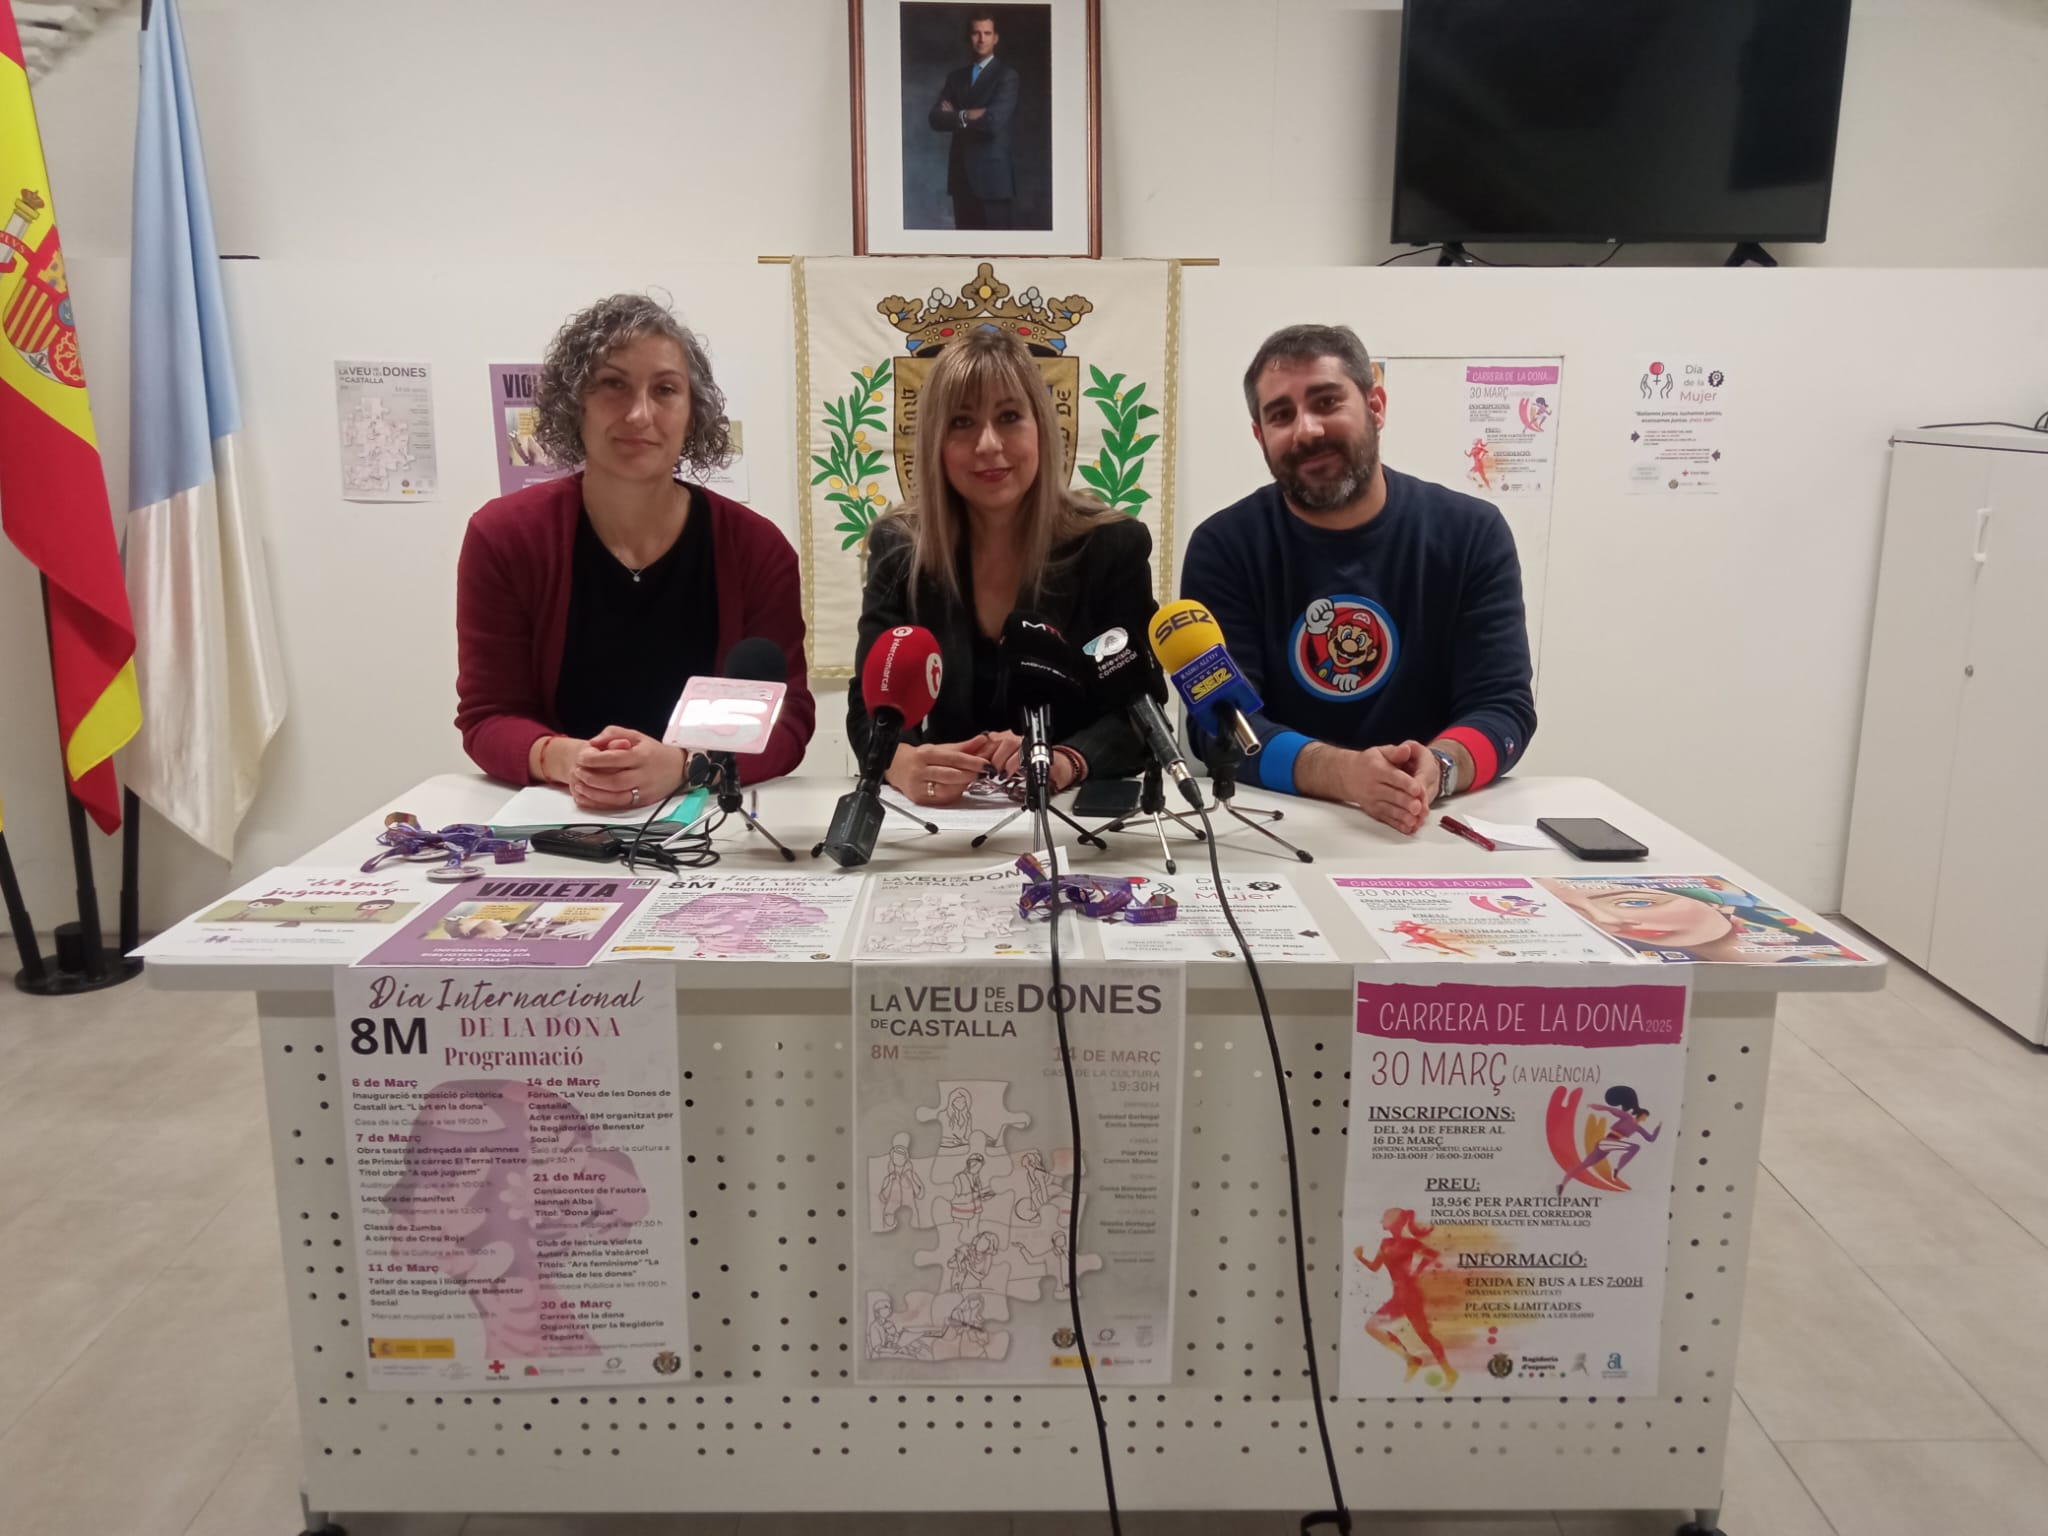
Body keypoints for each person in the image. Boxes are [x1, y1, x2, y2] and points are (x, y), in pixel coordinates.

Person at [454, 293, 814, 812]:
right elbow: (488, 716)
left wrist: (686, 763)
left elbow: (788, 718)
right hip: (563, 815)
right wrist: (570, 759)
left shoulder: (758, 550)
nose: (639, 413)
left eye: (665, 390)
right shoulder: (504, 537)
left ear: (694, 414)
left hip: (708, 817)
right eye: (613, 385)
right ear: (573, 402)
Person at [1179, 324, 1535, 834]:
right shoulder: (1224, 547)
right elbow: (1219, 724)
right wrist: (1347, 775)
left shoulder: (1473, 534)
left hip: (1433, 824)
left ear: (1376, 406)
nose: (1306, 430)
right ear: (1260, 436)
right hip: (1276, 828)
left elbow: (1504, 706)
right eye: (1281, 415)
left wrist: (1438, 769)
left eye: (1326, 402)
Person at [848, 326, 1157, 807]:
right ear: (934, 443)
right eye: (961, 423)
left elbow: (1140, 711)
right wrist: (898, 761)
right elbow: (871, 704)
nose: (988, 444)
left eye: (1009, 417)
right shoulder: (899, 546)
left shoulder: (1111, 545)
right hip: (947, 818)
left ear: (1042, 427)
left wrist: (1067, 759)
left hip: (1070, 816)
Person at [927, 14, 1019, 230]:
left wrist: (955, 114)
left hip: (993, 180)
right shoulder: (956, 77)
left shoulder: (1007, 76)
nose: (981, 39)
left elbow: (993, 122)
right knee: (966, 251)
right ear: (969, 37)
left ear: (995, 38)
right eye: (976, 33)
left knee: (997, 251)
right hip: (961, 178)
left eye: (987, 33)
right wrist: (966, 114)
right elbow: (935, 118)